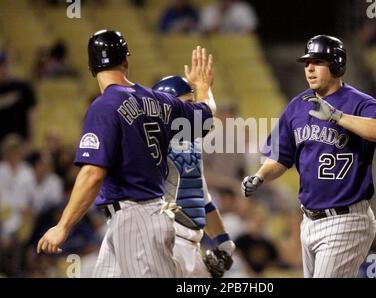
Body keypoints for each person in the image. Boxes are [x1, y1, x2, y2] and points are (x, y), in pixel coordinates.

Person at [36, 29, 216, 278]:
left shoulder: (104, 107)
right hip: (133, 220)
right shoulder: (161, 100)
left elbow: (92, 174)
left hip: (137, 219)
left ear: (92, 67)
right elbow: (205, 117)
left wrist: (63, 226)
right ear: (126, 61)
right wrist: (203, 88)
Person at [241, 35, 376, 278]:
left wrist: (338, 117)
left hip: (347, 219)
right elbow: (281, 157)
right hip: (309, 221)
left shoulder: (358, 102)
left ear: (336, 65)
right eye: (307, 63)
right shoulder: (297, 106)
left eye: (318, 62)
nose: (310, 69)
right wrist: (260, 175)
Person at [152, 75, 234, 278]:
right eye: (187, 104)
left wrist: (223, 241)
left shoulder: (191, 144)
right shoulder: (153, 142)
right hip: (165, 243)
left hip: (190, 246)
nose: (192, 111)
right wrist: (205, 89)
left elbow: (201, 198)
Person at [0, 50, 37, 148]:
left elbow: (32, 114)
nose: (2, 70)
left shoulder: (23, 87)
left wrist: (31, 140)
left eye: (4, 65)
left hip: (20, 142)